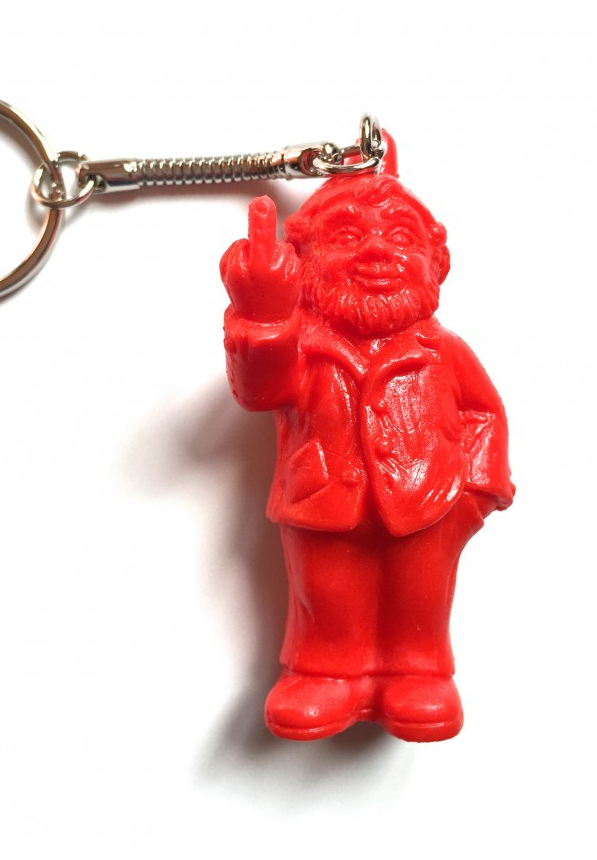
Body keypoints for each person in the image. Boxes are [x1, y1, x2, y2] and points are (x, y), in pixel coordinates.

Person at [220, 134, 513, 742]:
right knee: (324, 595)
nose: (377, 250)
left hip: (429, 501)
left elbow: (483, 413)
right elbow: (259, 390)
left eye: (400, 237)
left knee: (420, 596)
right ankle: (323, 673)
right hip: (321, 499)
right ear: (302, 262)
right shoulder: (303, 345)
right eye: (347, 237)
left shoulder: (442, 350)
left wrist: (476, 491)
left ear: (435, 261)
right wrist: (264, 315)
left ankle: (418, 673)